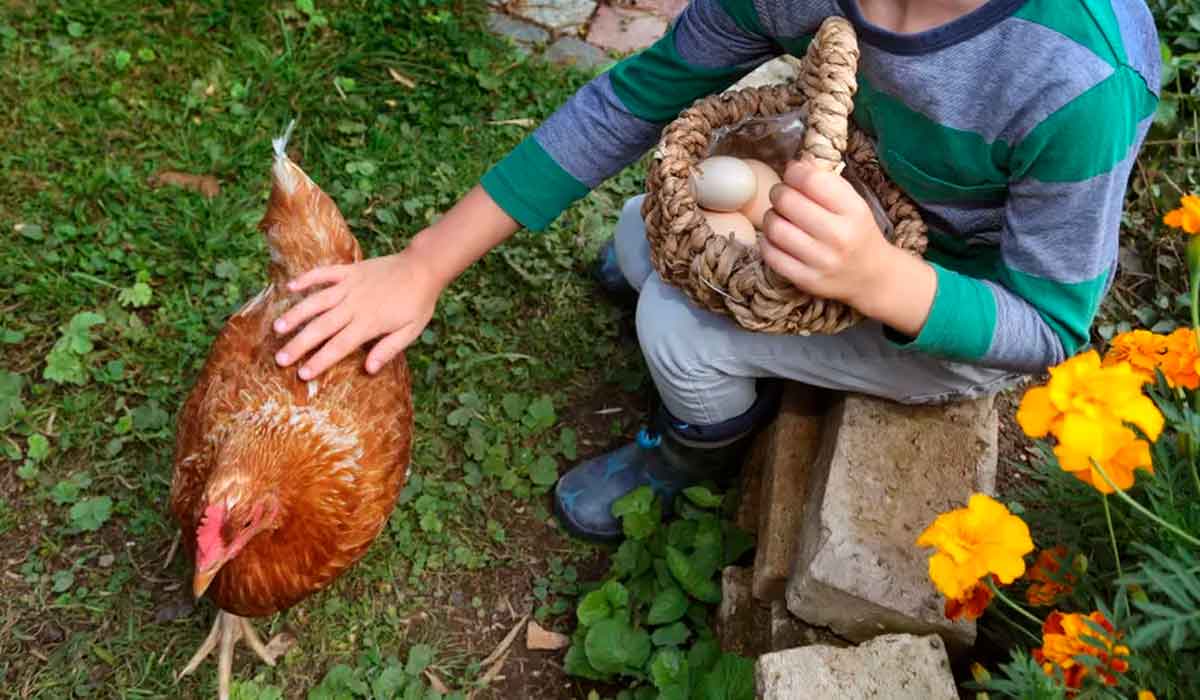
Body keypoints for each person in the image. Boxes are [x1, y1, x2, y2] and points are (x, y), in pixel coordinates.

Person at [269, 0, 1160, 542]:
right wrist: (425, 263)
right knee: (640, 235)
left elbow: (1047, 328)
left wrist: (877, 280)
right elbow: (637, 95)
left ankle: (694, 450)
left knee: (676, 324)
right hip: (843, 201)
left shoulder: (1080, 80)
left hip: (948, 307)